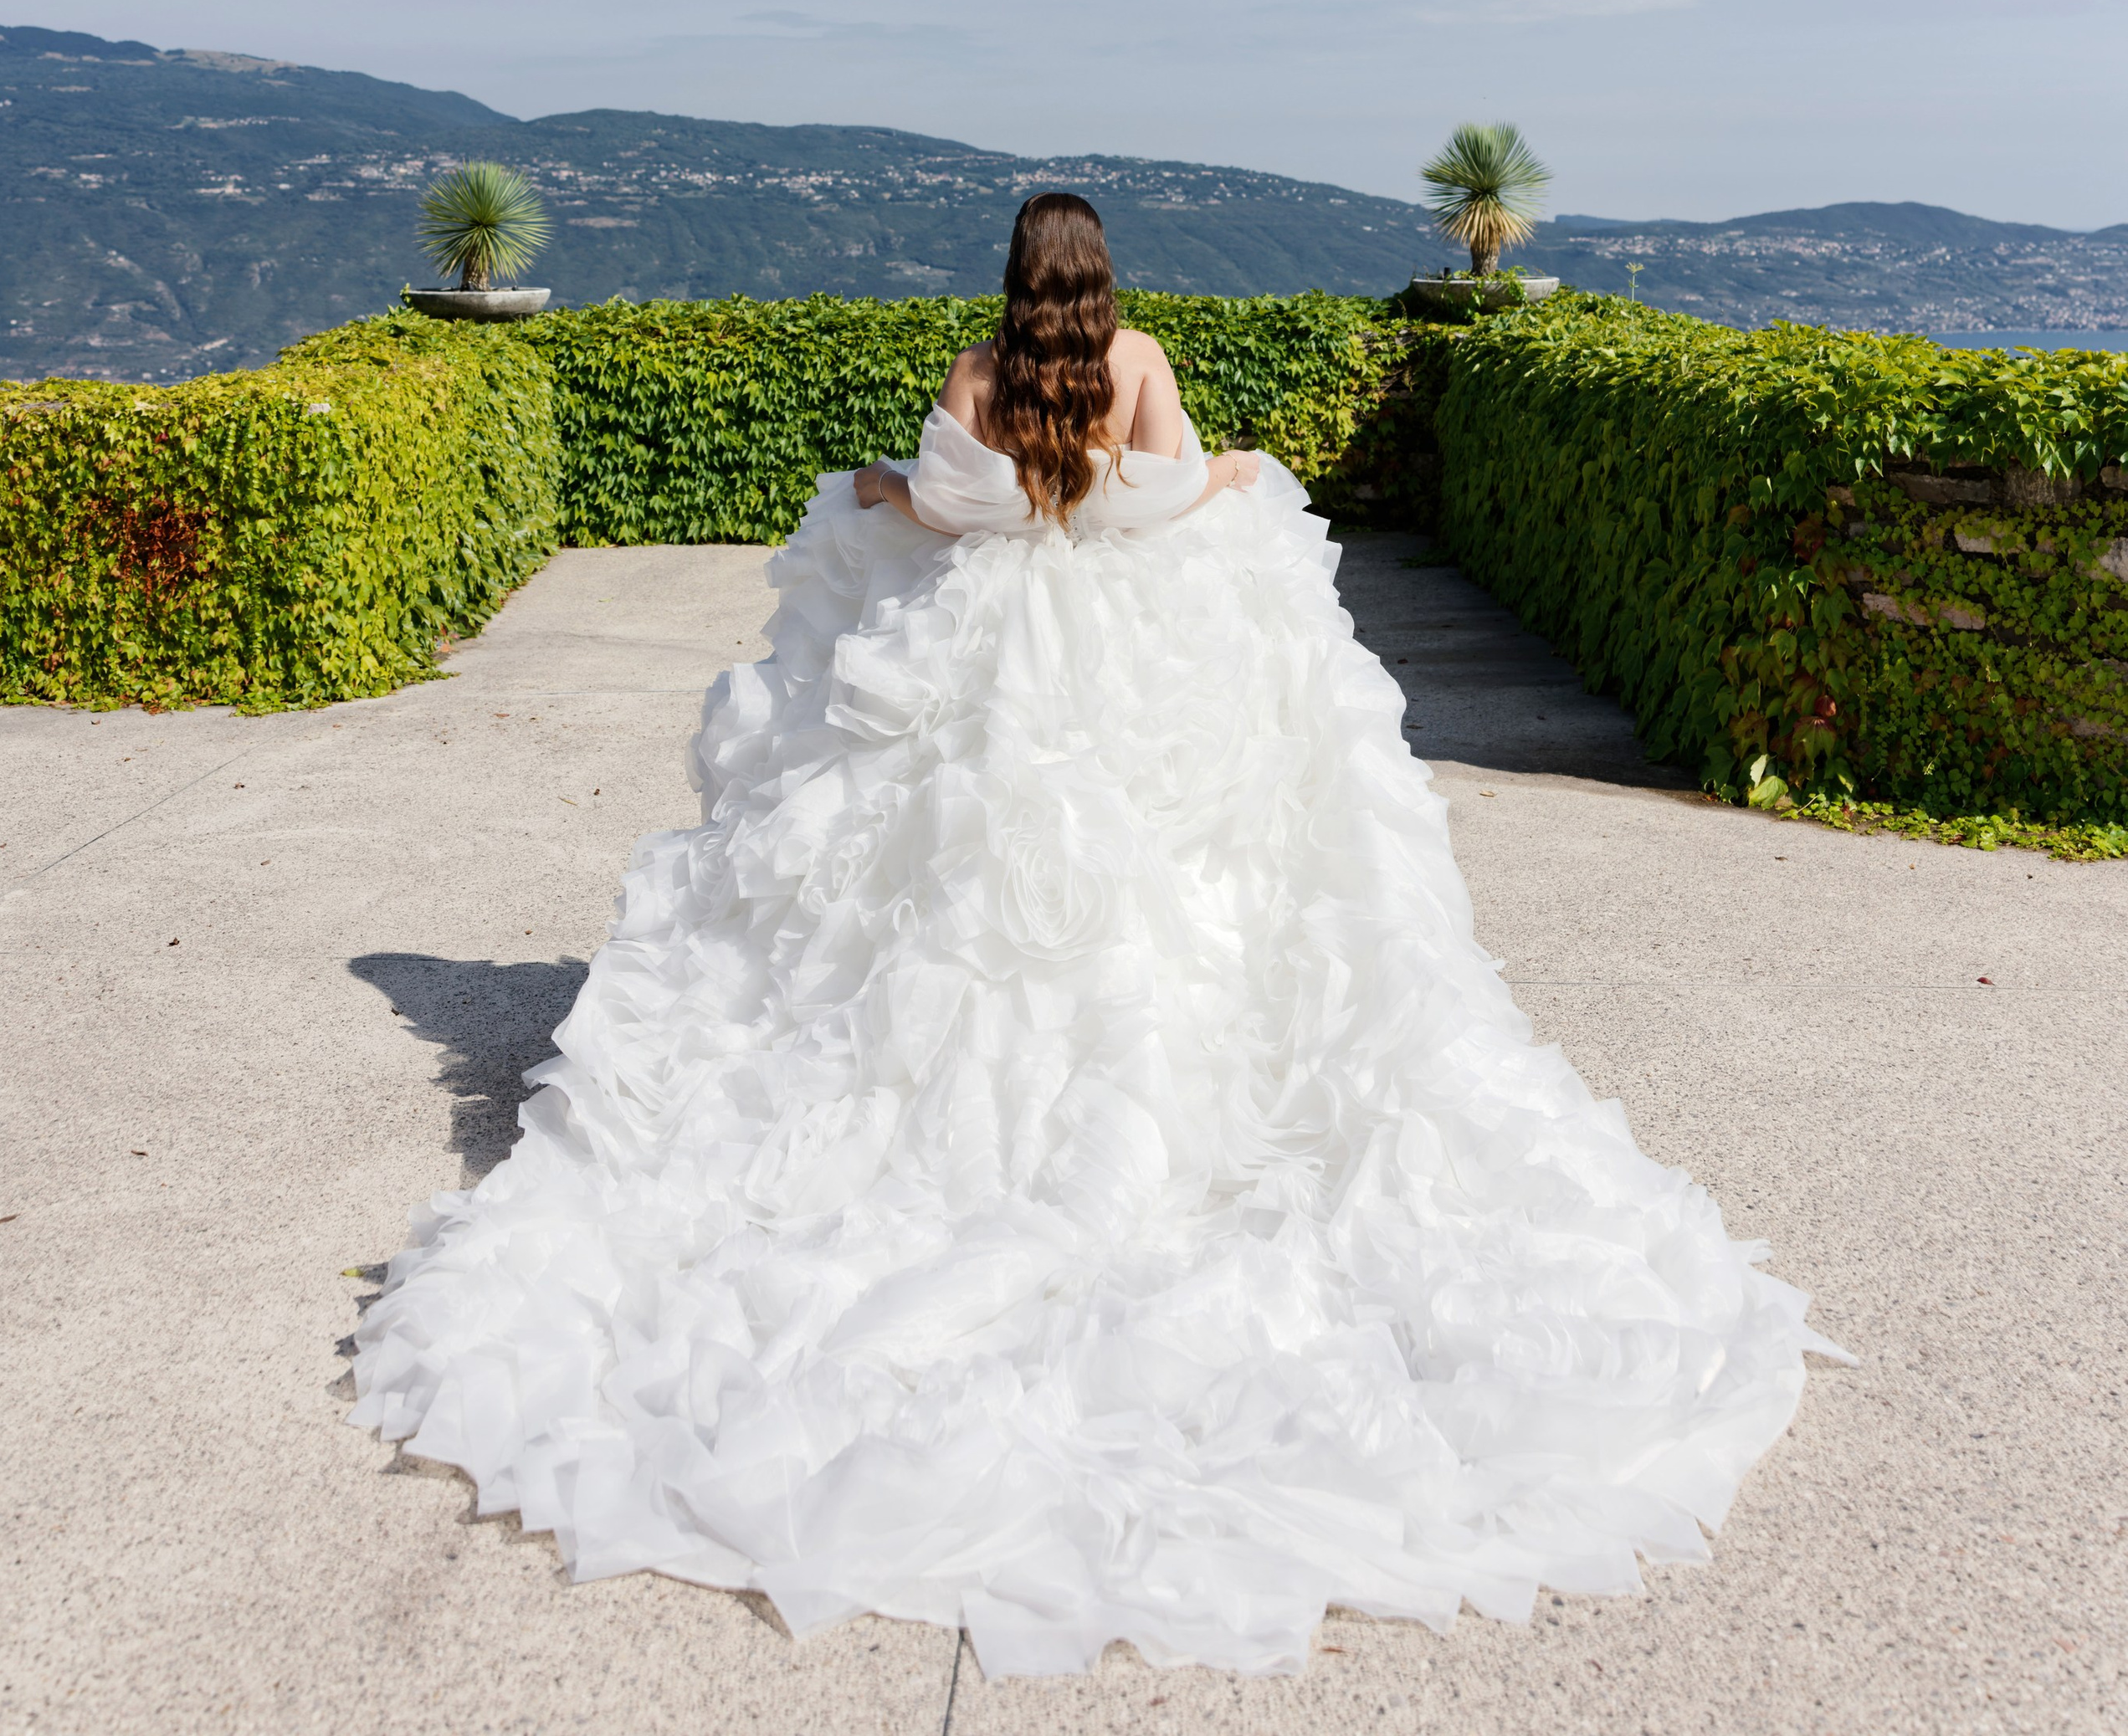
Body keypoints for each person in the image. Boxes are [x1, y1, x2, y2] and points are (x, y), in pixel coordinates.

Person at [352, 192, 1836, 1677]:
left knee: (941, 912)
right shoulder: (1136, 358)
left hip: (993, 651)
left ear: (1016, 277)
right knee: (1175, 890)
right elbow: (1158, 494)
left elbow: (951, 508)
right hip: (1118, 648)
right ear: (1100, 276)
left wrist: (876, 486)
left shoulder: (976, 373)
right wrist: (1236, 469)